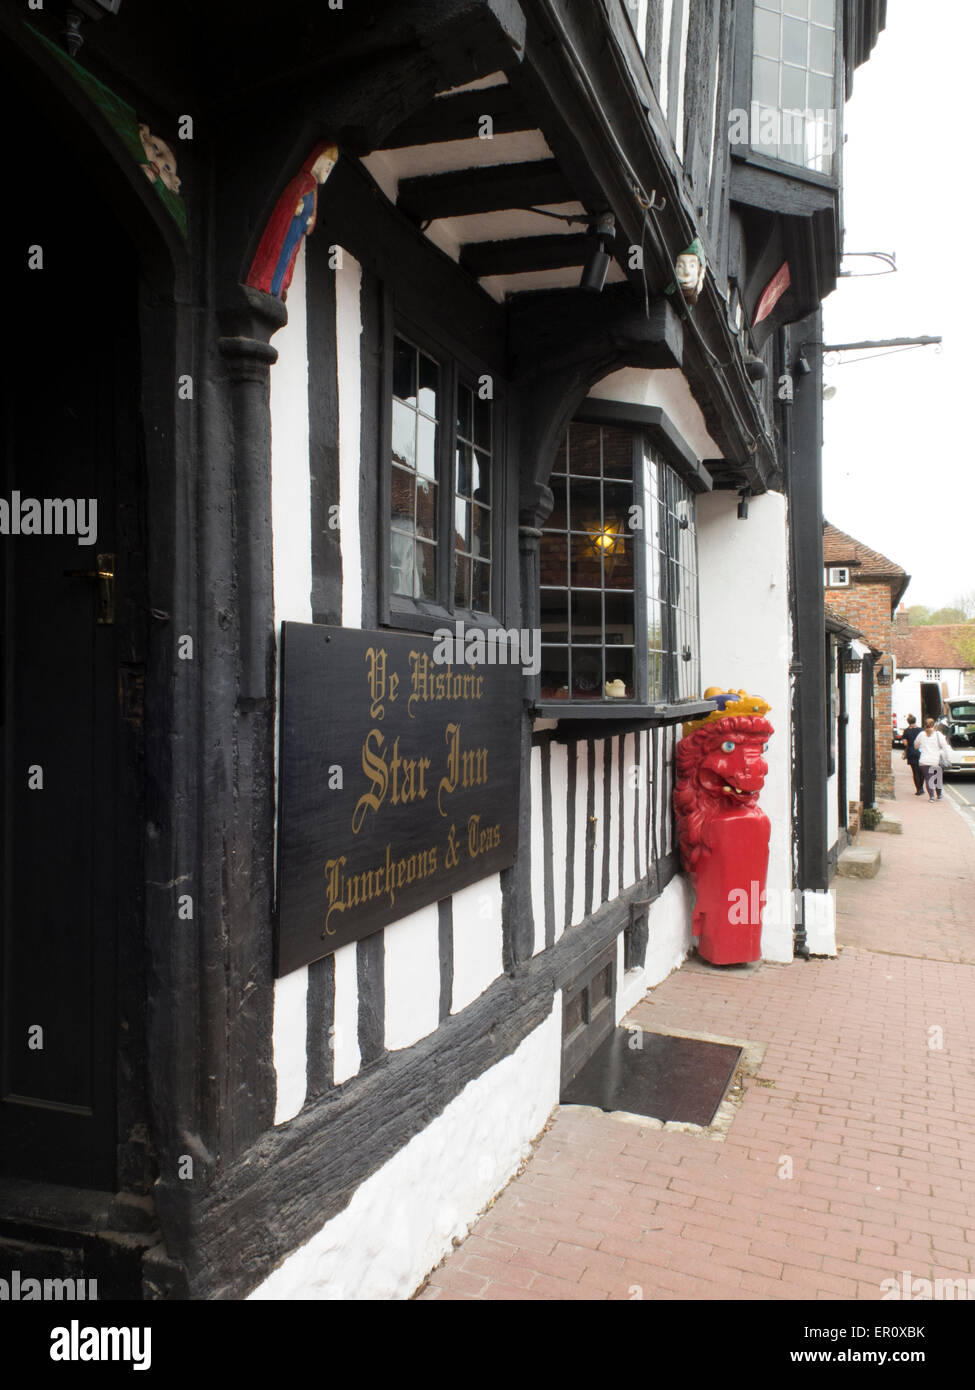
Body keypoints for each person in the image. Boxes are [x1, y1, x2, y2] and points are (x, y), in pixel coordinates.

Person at [915, 717, 952, 802]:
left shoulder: (921, 734)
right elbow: (945, 747)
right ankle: (939, 795)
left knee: (928, 779)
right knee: (937, 778)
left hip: (924, 761)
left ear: (925, 725)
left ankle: (931, 797)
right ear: (934, 725)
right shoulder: (938, 734)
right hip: (935, 761)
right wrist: (949, 758)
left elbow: (916, 745)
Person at [901, 714, 925, 795]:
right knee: (922, 771)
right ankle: (921, 788)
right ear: (915, 721)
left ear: (908, 722)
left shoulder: (906, 731)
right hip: (921, 752)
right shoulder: (921, 730)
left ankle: (918, 790)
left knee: (915, 772)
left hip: (911, 752)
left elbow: (905, 743)